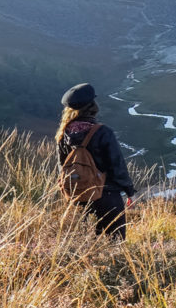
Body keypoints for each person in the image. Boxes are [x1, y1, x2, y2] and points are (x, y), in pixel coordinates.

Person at [57, 83, 135, 239]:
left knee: (85, 243)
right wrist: (129, 191)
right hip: (107, 195)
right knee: (115, 241)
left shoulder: (63, 133)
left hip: (78, 197)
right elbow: (117, 166)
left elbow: (62, 167)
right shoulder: (103, 132)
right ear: (93, 106)